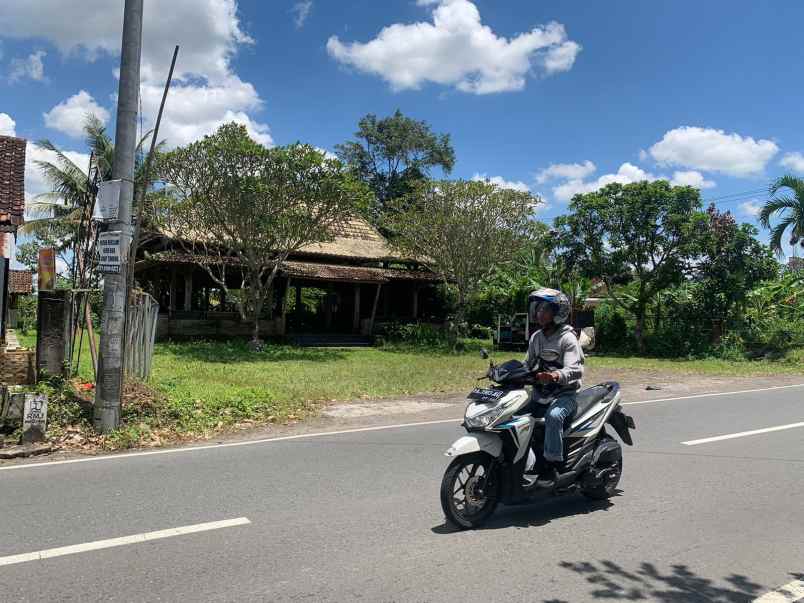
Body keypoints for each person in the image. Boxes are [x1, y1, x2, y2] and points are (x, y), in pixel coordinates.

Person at [523, 288, 585, 488]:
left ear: (558, 313)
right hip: (540, 395)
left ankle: (552, 466)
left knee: (554, 416)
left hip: (564, 395)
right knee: (512, 415)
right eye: (538, 309)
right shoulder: (536, 338)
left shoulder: (567, 338)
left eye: (545, 310)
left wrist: (555, 375)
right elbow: (526, 365)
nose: (539, 313)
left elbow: (575, 370)